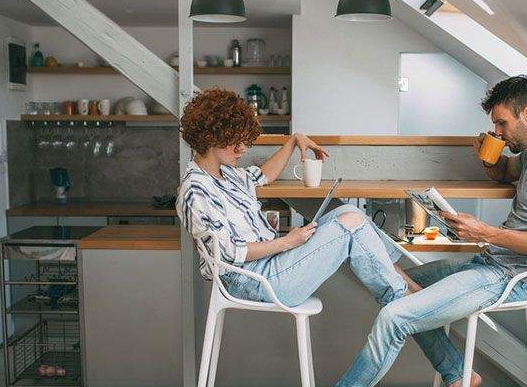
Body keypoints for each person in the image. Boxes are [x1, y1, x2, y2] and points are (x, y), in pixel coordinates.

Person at [258, 75, 527, 387]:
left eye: (501, 123)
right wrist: (489, 157)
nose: (497, 130)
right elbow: (505, 174)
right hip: (493, 263)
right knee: (396, 284)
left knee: (394, 317)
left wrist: (487, 232)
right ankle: (457, 373)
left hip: (516, 279)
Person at [177, 88, 421, 334]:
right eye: (234, 142)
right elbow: (230, 254)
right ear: (211, 137)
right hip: (255, 281)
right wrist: (287, 242)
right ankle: (408, 297)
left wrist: (294, 140)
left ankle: (405, 291)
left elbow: (264, 174)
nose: (242, 149)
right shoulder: (195, 190)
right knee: (352, 222)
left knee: (347, 211)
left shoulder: (228, 174)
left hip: (270, 265)